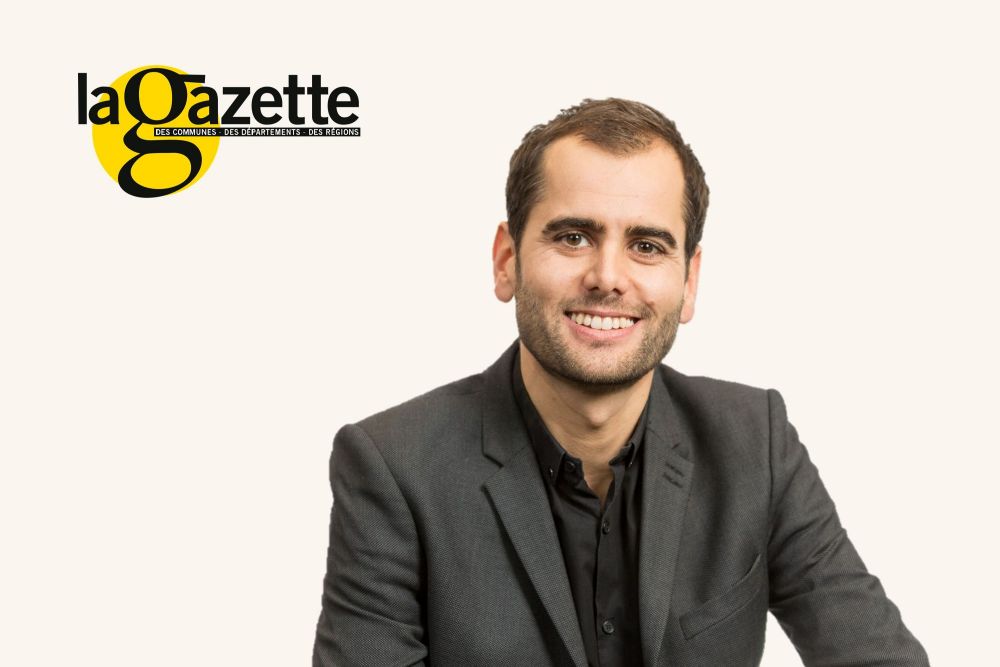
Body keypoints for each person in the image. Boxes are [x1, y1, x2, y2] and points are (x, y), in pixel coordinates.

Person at [312, 98, 928, 666]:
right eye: (573, 237)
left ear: (689, 282)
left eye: (647, 246)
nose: (608, 277)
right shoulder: (393, 466)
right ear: (507, 261)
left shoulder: (756, 443)